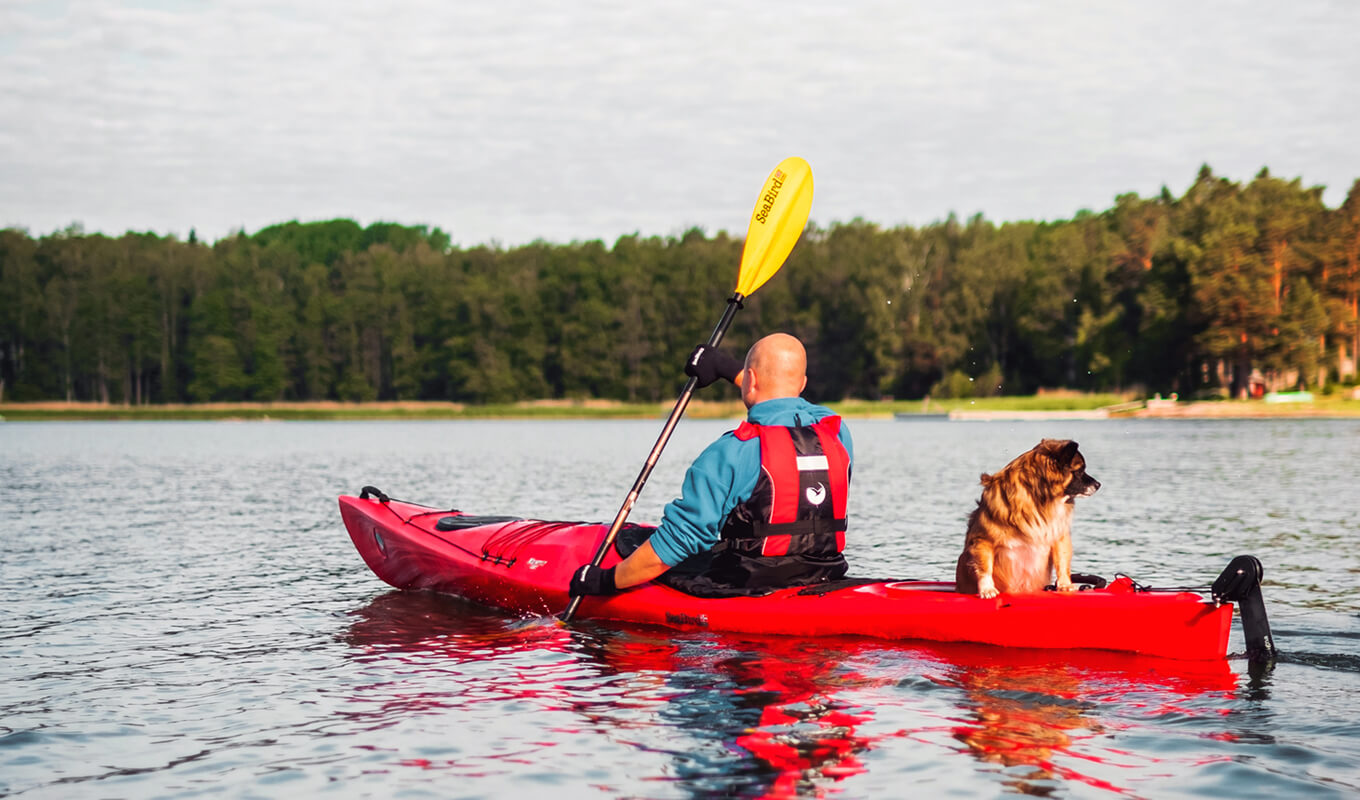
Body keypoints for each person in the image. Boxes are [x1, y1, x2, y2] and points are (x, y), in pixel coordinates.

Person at [569, 332, 853, 598]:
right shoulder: (837, 434)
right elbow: (798, 407)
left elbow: (678, 542)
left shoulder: (732, 451)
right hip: (825, 574)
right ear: (802, 384)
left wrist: (603, 581)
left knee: (635, 541)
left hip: (750, 585)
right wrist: (725, 368)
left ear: (751, 380)